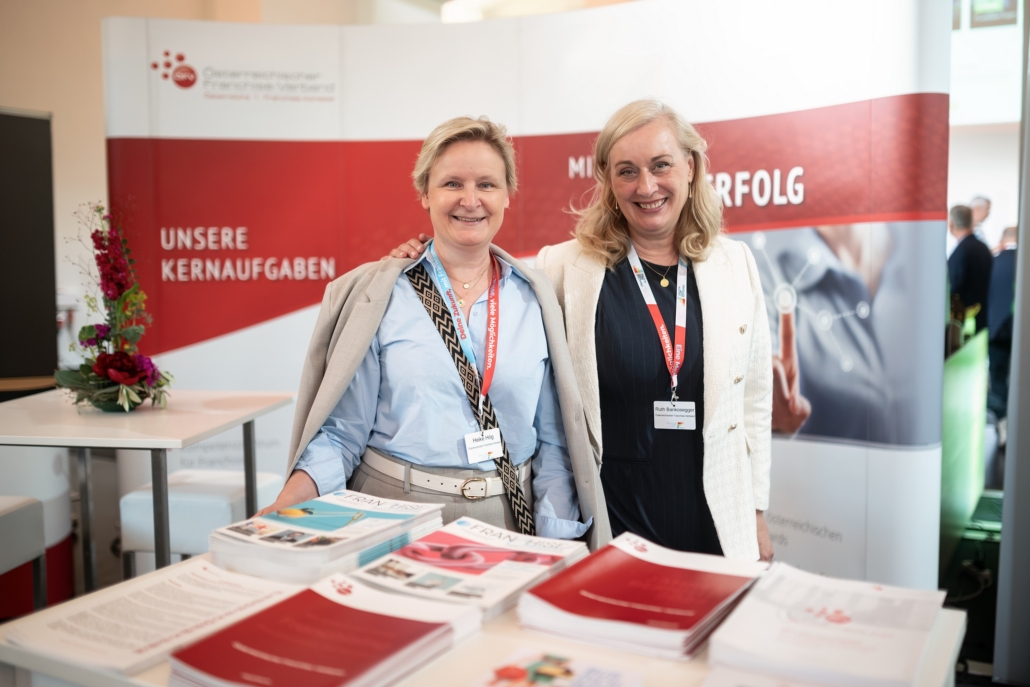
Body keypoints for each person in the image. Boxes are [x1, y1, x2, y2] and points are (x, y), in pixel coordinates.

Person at [392, 100, 773, 561]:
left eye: (661, 165)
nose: (646, 186)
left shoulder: (735, 266)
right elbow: (476, 273)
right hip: (612, 520)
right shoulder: (562, 268)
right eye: (627, 171)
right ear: (608, 180)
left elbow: (754, 399)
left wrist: (756, 512)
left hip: (714, 521)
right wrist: (422, 258)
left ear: (690, 167)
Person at [259, 116, 609, 550]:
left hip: (509, 522)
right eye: (452, 184)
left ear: (507, 195)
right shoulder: (380, 295)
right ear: (425, 193)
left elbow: (555, 446)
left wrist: (556, 543)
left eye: (486, 184)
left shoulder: (536, 298)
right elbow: (341, 434)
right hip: (394, 517)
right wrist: (287, 505)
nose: (470, 200)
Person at [948, 204, 993, 333]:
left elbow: (953, 287)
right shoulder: (983, 248)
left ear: (951, 224)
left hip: (964, 323)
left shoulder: (961, 251)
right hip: (982, 319)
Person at [987, 225, 1018, 418]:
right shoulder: (1022, 263)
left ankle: (1002, 418)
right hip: (1020, 332)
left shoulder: (994, 262)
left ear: (1002, 240)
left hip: (996, 329)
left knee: (998, 376)